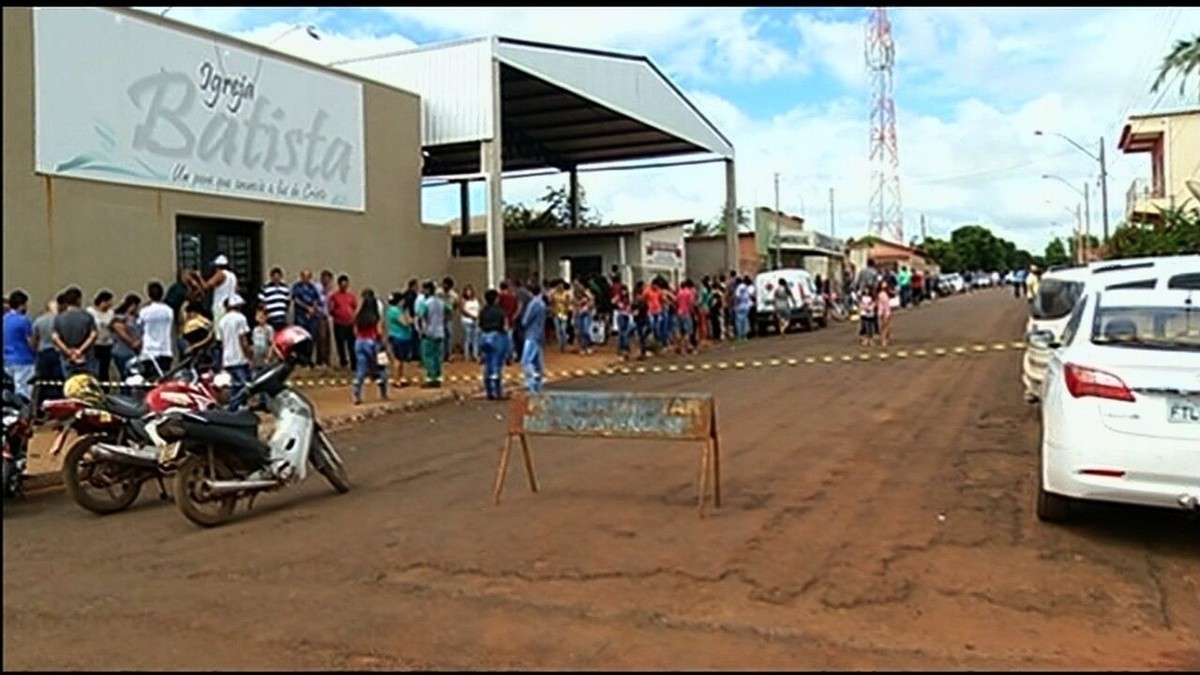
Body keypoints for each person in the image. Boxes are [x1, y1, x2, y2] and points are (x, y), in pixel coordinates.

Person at [351, 289, 389, 405]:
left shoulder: (358, 316)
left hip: (359, 342)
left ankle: (357, 395)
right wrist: (383, 343)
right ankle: (383, 393)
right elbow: (379, 332)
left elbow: (355, 331)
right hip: (372, 342)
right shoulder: (375, 316)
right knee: (381, 369)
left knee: (360, 370)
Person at [52, 287, 98, 377]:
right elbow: (93, 335)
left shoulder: (59, 318)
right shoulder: (87, 317)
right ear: (79, 300)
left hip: (67, 358)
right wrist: (80, 351)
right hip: (86, 357)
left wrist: (68, 351)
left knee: (70, 384)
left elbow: (55, 337)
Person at [218, 295, 253, 411]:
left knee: (234, 386)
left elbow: (222, 342)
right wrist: (249, 355)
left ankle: (234, 408)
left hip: (228, 358)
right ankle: (233, 406)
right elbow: (243, 340)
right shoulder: (240, 318)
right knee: (245, 386)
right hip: (239, 358)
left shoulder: (222, 321)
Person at [3, 291, 38, 400]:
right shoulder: (24, 320)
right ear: (22, 305)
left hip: (7, 360)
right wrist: (36, 352)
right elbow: (30, 341)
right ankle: (23, 412)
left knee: (13, 387)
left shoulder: (4, 319)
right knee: (24, 391)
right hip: (24, 360)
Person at [32, 297, 64, 412]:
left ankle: (41, 408)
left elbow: (34, 339)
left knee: (43, 382)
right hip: (58, 352)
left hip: (44, 353)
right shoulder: (61, 320)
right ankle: (58, 407)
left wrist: (36, 351)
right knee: (58, 381)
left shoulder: (39, 320)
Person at [139, 282, 176, 377]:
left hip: (148, 351)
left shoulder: (144, 311)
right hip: (165, 350)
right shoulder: (169, 310)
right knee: (164, 378)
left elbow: (139, 326)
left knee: (149, 380)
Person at [478, 289, 509, 401]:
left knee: (487, 364)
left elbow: (480, 324)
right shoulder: (501, 311)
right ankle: (497, 391)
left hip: (484, 336)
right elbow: (505, 326)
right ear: (496, 299)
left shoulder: (483, 311)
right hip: (497, 336)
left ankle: (488, 391)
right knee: (497, 364)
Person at [109, 294, 142, 395]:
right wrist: (133, 342)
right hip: (122, 351)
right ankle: (125, 395)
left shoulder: (136, 318)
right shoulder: (120, 318)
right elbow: (119, 330)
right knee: (126, 375)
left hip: (134, 352)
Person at [416, 280, 446, 388]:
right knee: (437, 356)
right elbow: (449, 311)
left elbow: (420, 317)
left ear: (428, 290)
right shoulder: (441, 302)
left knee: (428, 356)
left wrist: (421, 330)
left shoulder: (426, 303)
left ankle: (430, 378)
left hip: (429, 331)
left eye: (424, 289)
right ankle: (438, 377)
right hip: (440, 331)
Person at [519, 282, 547, 394]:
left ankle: (531, 383)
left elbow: (525, 320)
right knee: (537, 362)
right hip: (539, 334)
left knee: (526, 361)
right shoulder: (542, 303)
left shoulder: (533, 304)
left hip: (531, 335)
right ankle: (538, 383)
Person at [328, 274, 358, 370]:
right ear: (339, 284)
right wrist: (335, 312)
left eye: (346, 285)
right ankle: (343, 362)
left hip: (350, 323)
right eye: (342, 285)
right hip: (339, 323)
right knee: (340, 344)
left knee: (351, 344)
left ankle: (354, 364)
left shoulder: (351, 296)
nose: (344, 286)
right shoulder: (334, 296)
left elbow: (354, 307)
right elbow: (331, 309)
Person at [248, 306, 275, 411]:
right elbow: (253, 344)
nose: (259, 318)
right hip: (256, 358)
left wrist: (269, 356)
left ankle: (268, 403)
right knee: (257, 380)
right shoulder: (255, 330)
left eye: (261, 316)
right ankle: (261, 402)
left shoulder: (269, 329)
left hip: (265, 358)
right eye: (257, 315)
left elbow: (272, 344)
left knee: (266, 380)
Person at [201, 254, 238, 329]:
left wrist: (198, 277)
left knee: (219, 331)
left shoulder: (220, 274)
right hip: (232, 306)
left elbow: (206, 286)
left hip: (220, 307)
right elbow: (237, 290)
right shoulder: (233, 276)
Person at [87, 290, 115, 387]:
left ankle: (105, 389)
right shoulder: (90, 312)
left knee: (104, 369)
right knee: (94, 368)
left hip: (107, 343)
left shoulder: (111, 313)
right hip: (95, 344)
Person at [384, 292, 413, 386]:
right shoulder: (395, 311)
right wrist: (410, 320)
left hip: (400, 336)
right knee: (398, 359)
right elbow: (405, 323)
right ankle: (397, 379)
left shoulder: (392, 310)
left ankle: (400, 378)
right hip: (399, 337)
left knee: (401, 359)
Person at [291, 269, 322, 352]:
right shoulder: (297, 286)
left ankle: (308, 358)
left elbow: (316, 299)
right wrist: (307, 307)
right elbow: (295, 299)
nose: (306, 278)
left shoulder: (312, 287)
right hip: (300, 316)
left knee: (311, 337)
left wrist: (313, 308)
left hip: (311, 317)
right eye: (304, 276)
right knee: (300, 337)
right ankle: (301, 358)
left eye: (308, 276)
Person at [258, 266, 291, 331]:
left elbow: (288, 301)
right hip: (270, 316)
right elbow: (261, 301)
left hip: (281, 316)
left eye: (278, 276)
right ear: (271, 277)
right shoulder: (265, 288)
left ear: (281, 277)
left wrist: (285, 310)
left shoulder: (285, 287)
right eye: (274, 277)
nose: (276, 278)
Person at [498, 281, 520, 364]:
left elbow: (499, 308)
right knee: (510, 339)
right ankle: (511, 355)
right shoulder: (513, 297)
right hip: (511, 319)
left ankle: (506, 356)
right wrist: (515, 316)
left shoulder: (500, 296)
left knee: (503, 339)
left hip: (502, 320)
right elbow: (517, 307)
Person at [572, 279, 594, 355]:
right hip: (578, 314)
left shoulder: (586, 292)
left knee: (586, 330)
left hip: (586, 313)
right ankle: (582, 347)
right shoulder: (574, 294)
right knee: (579, 331)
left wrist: (587, 306)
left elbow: (592, 300)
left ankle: (588, 345)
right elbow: (573, 304)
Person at [459, 285, 481, 363]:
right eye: (467, 291)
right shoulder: (463, 300)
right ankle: (466, 355)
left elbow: (479, 309)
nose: (469, 292)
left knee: (475, 338)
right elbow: (462, 310)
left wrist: (477, 316)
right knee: (467, 338)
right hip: (466, 321)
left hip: (475, 321)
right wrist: (471, 316)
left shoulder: (476, 300)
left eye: (470, 291)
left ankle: (475, 354)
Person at [676, 279, 697, 353]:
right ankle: (687, 347)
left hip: (679, 313)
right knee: (687, 331)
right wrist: (693, 313)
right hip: (686, 313)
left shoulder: (679, 293)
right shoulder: (689, 293)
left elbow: (677, 303)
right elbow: (691, 304)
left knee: (679, 331)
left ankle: (679, 347)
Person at [613, 283, 634, 361]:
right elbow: (613, 301)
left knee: (626, 333)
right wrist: (618, 303)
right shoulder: (619, 297)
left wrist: (628, 308)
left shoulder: (628, 298)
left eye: (625, 290)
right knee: (621, 332)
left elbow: (631, 305)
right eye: (622, 291)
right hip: (621, 315)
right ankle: (621, 348)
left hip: (627, 315)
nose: (624, 292)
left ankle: (626, 348)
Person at [550, 280, 571, 352]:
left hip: (563, 313)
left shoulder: (566, 294)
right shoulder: (553, 294)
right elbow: (551, 303)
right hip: (556, 313)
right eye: (559, 285)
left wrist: (567, 311)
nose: (560, 287)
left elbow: (568, 304)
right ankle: (560, 344)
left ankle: (564, 342)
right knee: (557, 329)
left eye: (561, 285)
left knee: (563, 329)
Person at [877, 280, 894, 348]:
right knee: (884, 325)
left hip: (887, 310)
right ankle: (884, 339)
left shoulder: (887, 293)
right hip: (882, 310)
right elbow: (879, 303)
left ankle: (886, 339)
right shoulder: (880, 294)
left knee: (886, 325)